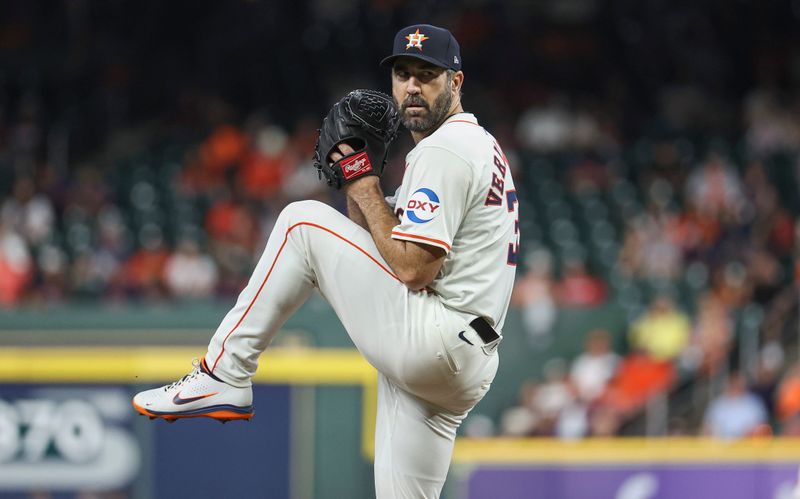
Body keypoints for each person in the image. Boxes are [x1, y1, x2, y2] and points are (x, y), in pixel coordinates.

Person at [133, 24, 518, 498]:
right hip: (463, 358)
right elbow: (381, 236)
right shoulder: (476, 145)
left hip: (435, 336)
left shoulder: (445, 149)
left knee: (300, 222)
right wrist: (365, 172)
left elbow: (414, 269)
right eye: (403, 74)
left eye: (427, 74)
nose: (412, 87)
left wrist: (360, 177)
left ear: (456, 83)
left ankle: (224, 374)